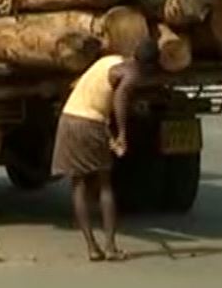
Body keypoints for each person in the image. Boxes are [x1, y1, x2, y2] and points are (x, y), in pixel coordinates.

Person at [51, 38, 159, 262]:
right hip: (89, 124)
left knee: (78, 183)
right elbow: (120, 98)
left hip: (69, 118)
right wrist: (121, 134)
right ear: (149, 66)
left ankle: (92, 247)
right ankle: (110, 247)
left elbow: (81, 86)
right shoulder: (133, 73)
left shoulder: (110, 60)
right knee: (104, 184)